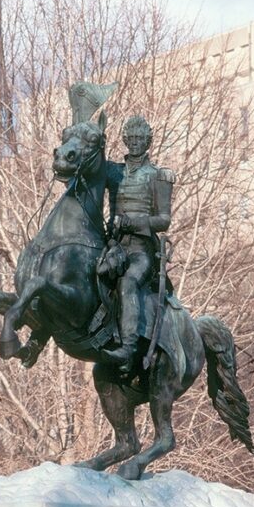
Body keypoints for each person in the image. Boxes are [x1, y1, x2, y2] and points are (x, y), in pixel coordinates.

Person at [99, 115, 174, 374]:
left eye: (140, 139)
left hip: (141, 250)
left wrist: (132, 222)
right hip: (113, 245)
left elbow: (164, 220)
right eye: (130, 138)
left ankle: (128, 346)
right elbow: (91, 167)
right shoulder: (113, 171)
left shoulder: (158, 176)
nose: (134, 143)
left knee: (128, 282)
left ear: (148, 141)